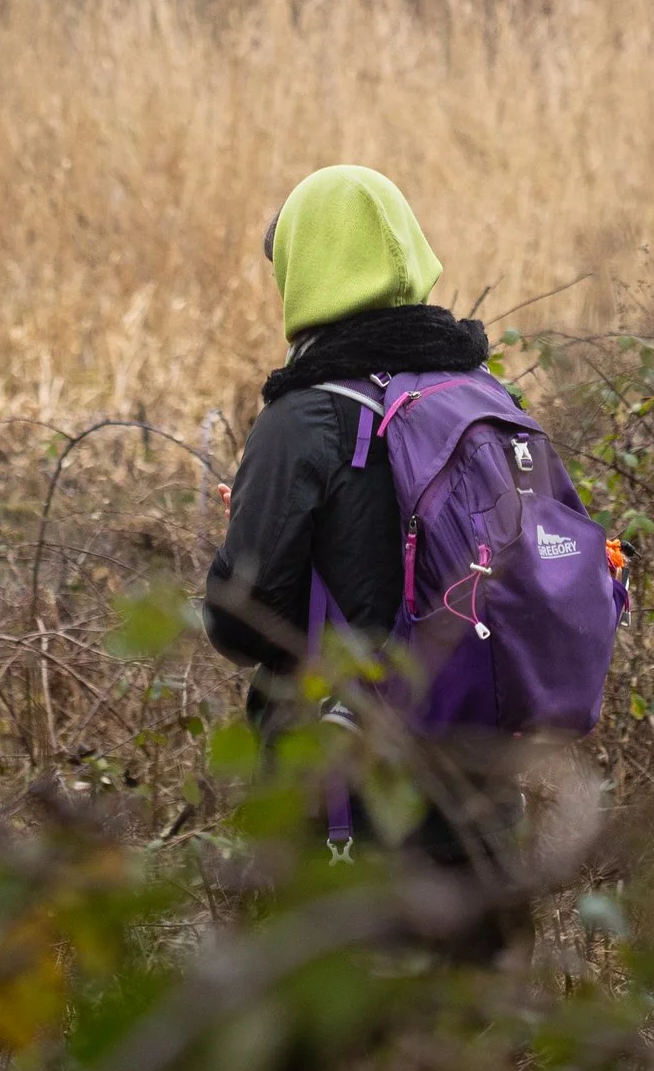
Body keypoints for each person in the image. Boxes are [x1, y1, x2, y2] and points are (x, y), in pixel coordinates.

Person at [202, 164, 511, 884]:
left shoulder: (302, 419)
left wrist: (246, 536)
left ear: (309, 272)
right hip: (481, 797)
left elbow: (242, 625)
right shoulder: (483, 398)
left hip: (346, 811)